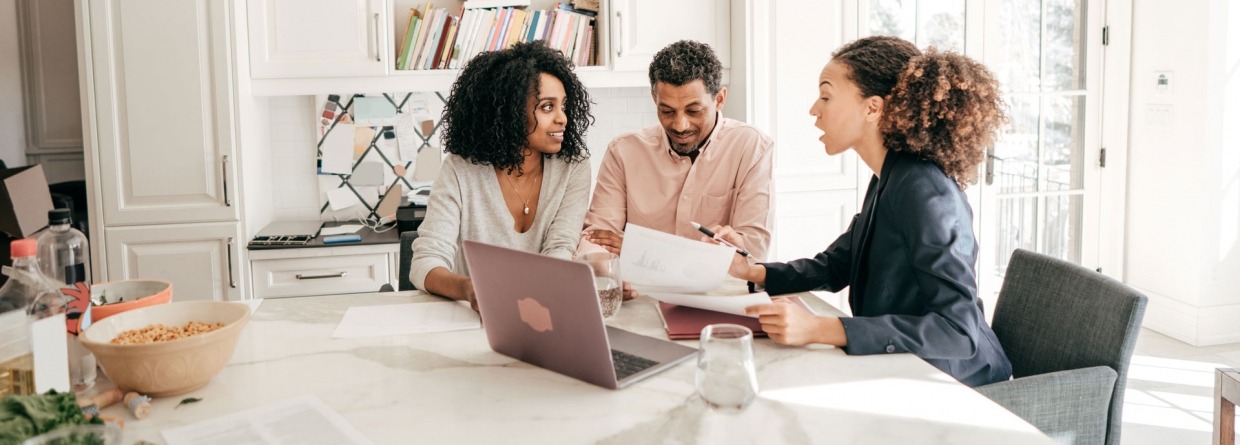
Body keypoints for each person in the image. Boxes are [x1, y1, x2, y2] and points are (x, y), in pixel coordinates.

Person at [710, 36, 1012, 387]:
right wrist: (754, 270)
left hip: (962, 386)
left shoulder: (924, 191)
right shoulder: (890, 176)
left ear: (873, 108)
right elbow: (838, 264)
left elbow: (957, 331)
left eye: (826, 96)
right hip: (905, 369)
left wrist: (823, 328)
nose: (814, 109)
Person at [410, 41, 593, 310]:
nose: (562, 118)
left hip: (545, 308)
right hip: (475, 317)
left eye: (563, 106)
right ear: (509, 112)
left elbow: (561, 247)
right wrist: (468, 288)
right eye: (546, 107)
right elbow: (425, 262)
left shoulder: (573, 167)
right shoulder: (460, 169)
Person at [578, 40, 774, 265]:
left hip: (716, 295)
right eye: (667, 111)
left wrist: (639, 250)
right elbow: (597, 239)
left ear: (719, 99)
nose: (680, 125)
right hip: (640, 292)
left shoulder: (752, 148)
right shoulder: (622, 152)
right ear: (655, 100)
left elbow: (753, 252)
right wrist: (607, 272)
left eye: (694, 111)